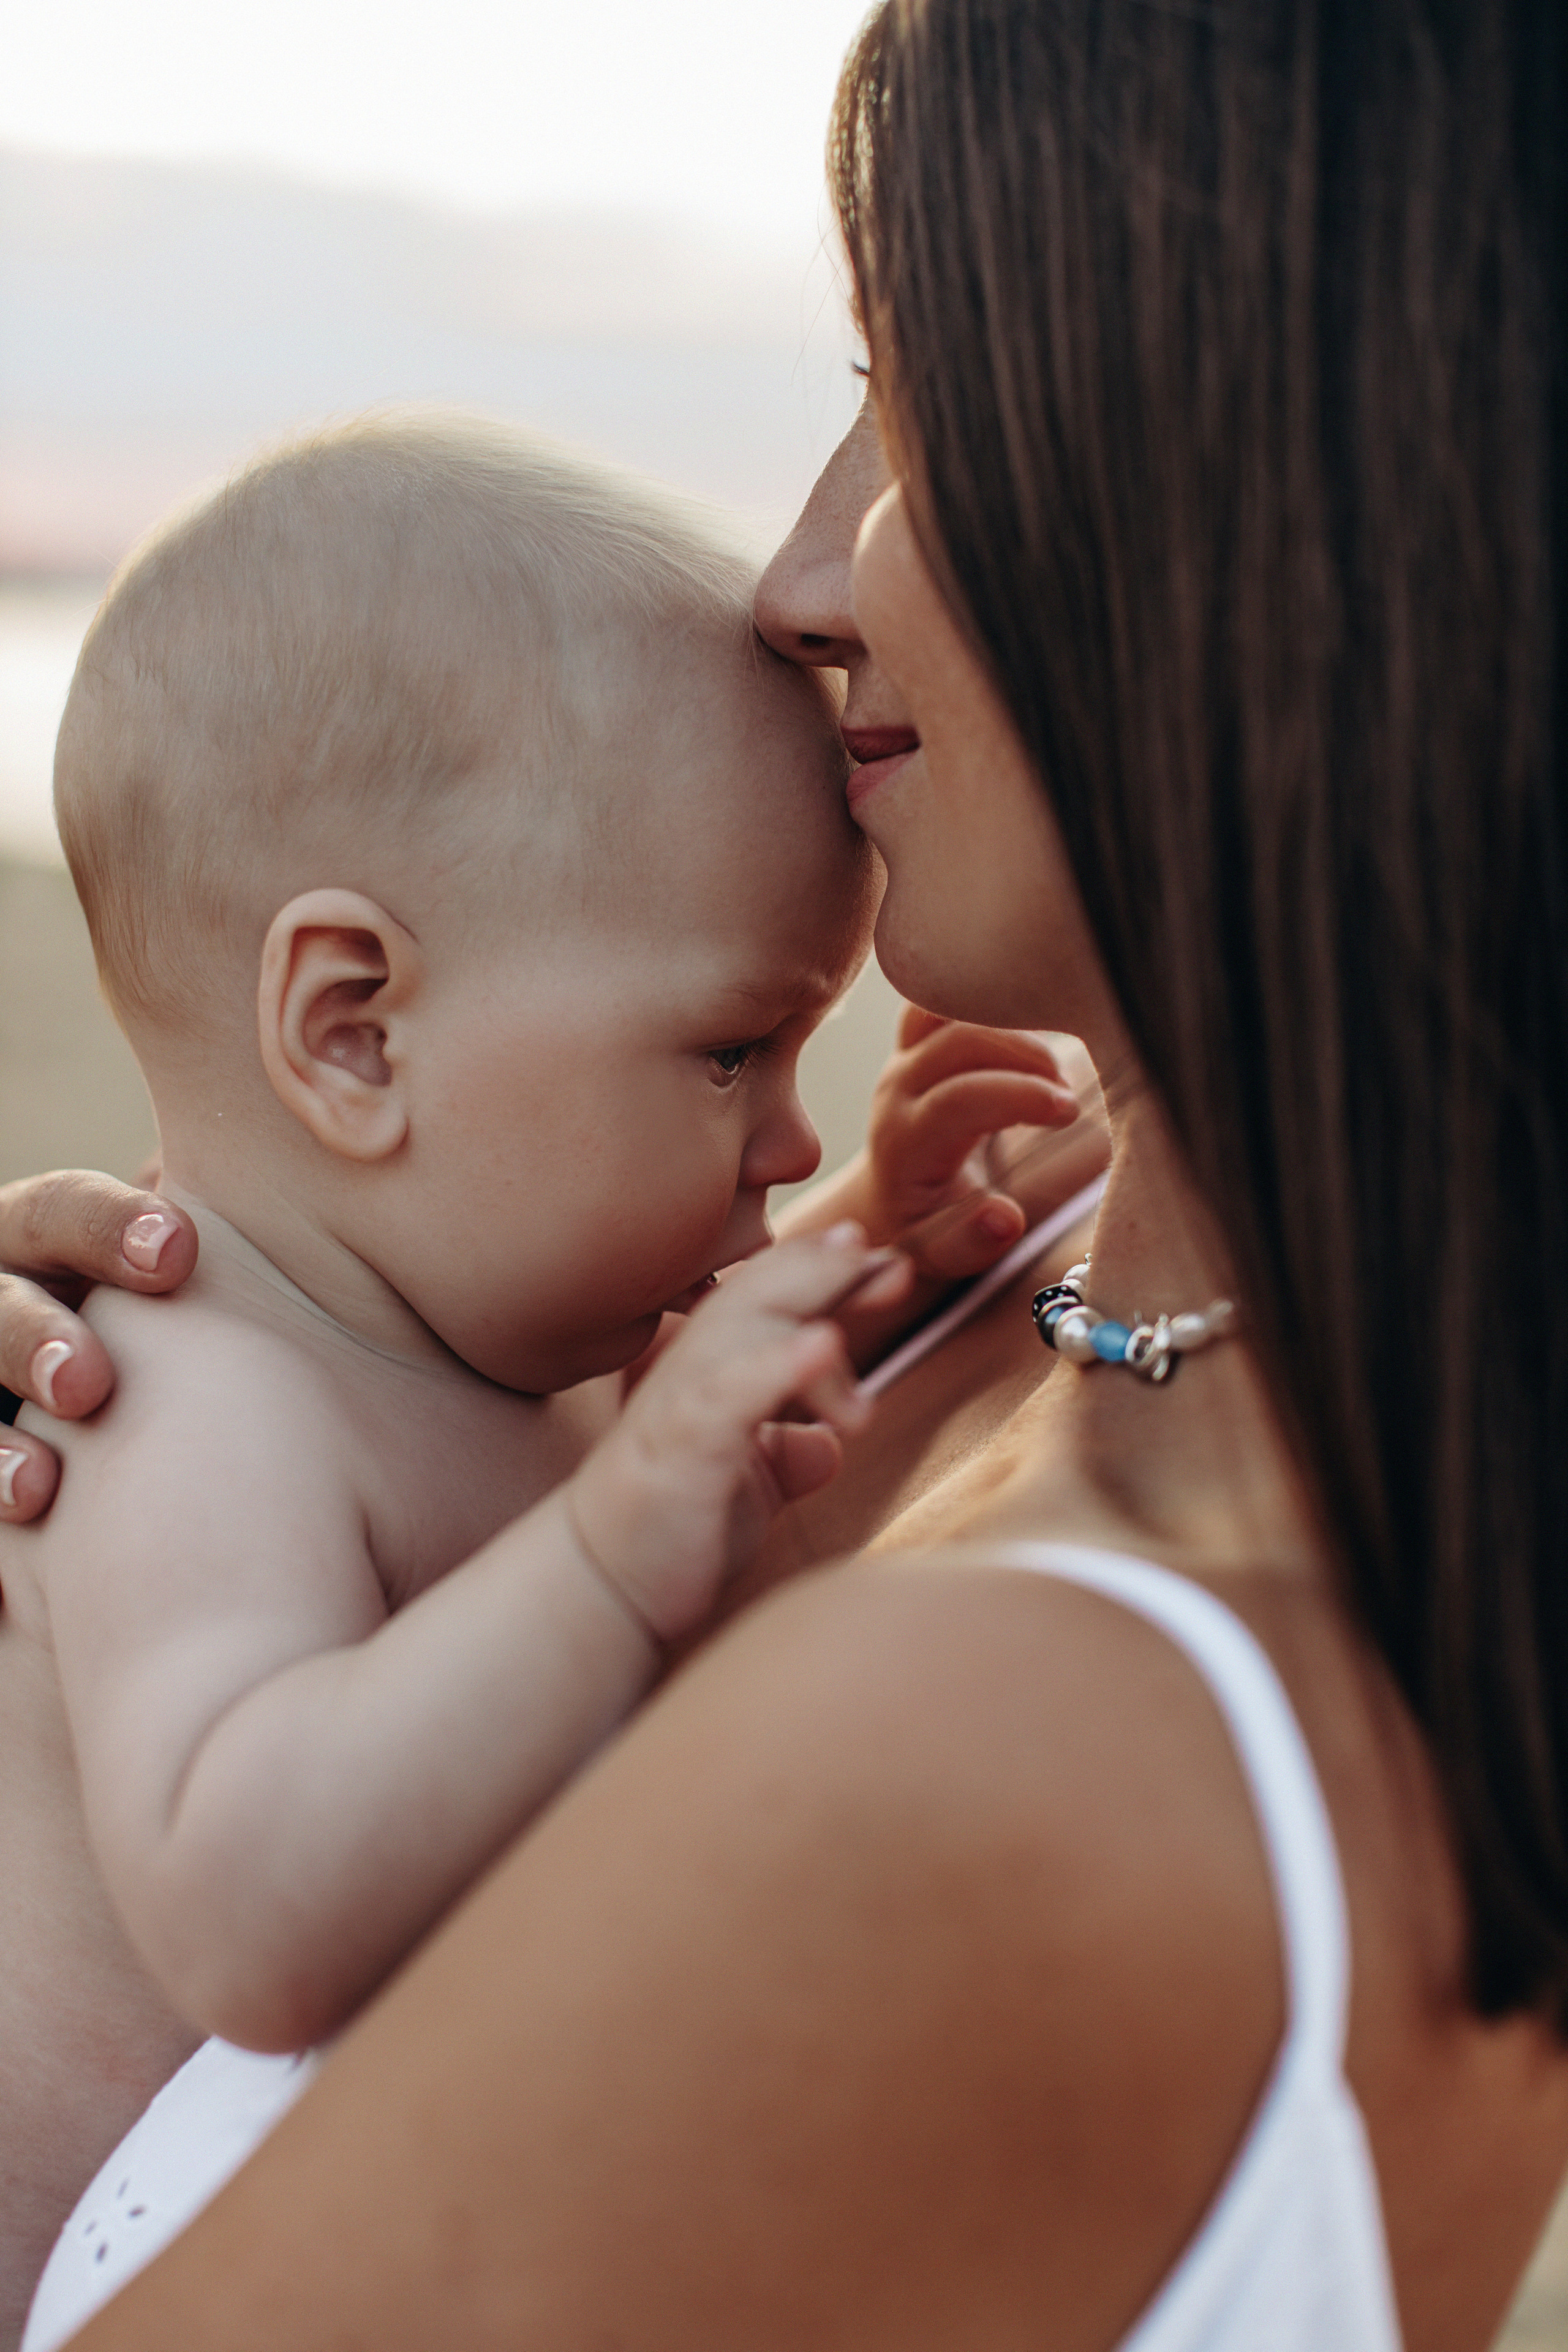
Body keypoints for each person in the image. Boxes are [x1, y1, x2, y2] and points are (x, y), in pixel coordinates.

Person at [3, 0, 1567, 2343]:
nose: (797, 573)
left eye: (903, 393)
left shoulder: (1008, 1730)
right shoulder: (1153, 1366)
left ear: (1248, 483)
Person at [0, 410, 1090, 2349]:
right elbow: (251, 1911)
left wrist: (888, 1282)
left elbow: (656, 1573)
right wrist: (611, 1529)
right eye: (732, 1050)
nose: (784, 1142)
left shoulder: (485, 1345)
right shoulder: (179, 1390)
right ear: (355, 1036)